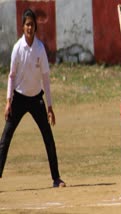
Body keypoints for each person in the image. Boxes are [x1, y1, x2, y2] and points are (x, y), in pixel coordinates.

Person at [0, 9, 66, 188]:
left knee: (48, 136)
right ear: (22, 27)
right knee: (6, 137)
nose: (30, 27)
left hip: (37, 98)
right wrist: (8, 102)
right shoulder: (17, 48)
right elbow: (11, 76)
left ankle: (56, 178)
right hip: (19, 98)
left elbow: (45, 77)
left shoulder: (40, 48)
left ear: (36, 27)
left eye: (32, 24)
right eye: (27, 24)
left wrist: (50, 107)